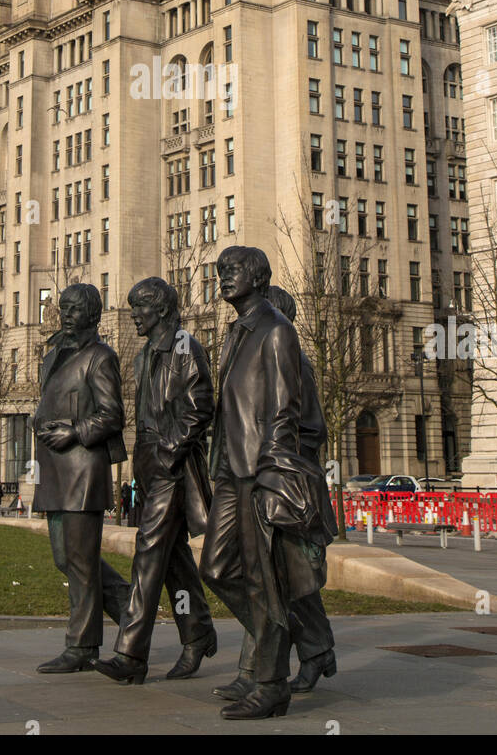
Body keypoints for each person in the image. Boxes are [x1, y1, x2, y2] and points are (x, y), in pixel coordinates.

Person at [200, 246, 333, 720]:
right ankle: (293, 640)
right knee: (216, 568)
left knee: (266, 582)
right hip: (233, 473)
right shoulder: (237, 332)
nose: (223, 279)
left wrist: (272, 475)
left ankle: (269, 679)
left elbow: (284, 413)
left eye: (231, 271)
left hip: (261, 474)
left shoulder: (276, 332)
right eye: (220, 272)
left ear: (257, 277)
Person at [93, 277, 216, 685]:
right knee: (174, 561)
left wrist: (168, 450)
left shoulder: (184, 346)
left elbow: (201, 406)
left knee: (147, 555)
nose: (133, 317)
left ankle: (131, 655)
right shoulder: (145, 355)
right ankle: (197, 632)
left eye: (140, 308)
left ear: (161, 309)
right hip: (149, 464)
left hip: (171, 467)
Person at [32, 283, 130, 672]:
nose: (66, 314)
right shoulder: (54, 353)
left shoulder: (101, 357)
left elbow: (112, 414)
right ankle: (129, 605)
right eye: (63, 308)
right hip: (55, 470)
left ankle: (82, 645)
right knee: (67, 558)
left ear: (93, 314)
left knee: (80, 560)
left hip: (83, 470)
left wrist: (74, 431)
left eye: (74, 309)